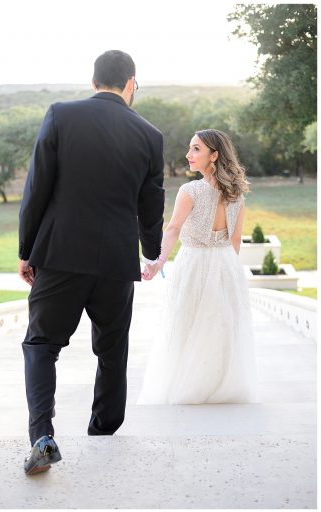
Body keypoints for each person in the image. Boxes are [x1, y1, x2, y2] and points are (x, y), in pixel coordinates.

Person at [17, 50, 165, 475]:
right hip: (117, 262)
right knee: (112, 350)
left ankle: (43, 437)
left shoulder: (61, 115)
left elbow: (36, 187)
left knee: (41, 345)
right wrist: (150, 252)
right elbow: (150, 207)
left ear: (93, 80)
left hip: (60, 255)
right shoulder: (150, 135)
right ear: (131, 83)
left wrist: (27, 250)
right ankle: (103, 435)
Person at [139, 130, 258, 404]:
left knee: (188, 323)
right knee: (221, 325)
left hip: (193, 262)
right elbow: (235, 239)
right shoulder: (237, 194)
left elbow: (172, 229)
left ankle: (189, 387)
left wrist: (157, 263)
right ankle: (220, 386)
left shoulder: (190, 190)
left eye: (196, 149)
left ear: (213, 155)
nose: (188, 155)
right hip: (226, 261)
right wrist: (229, 268)